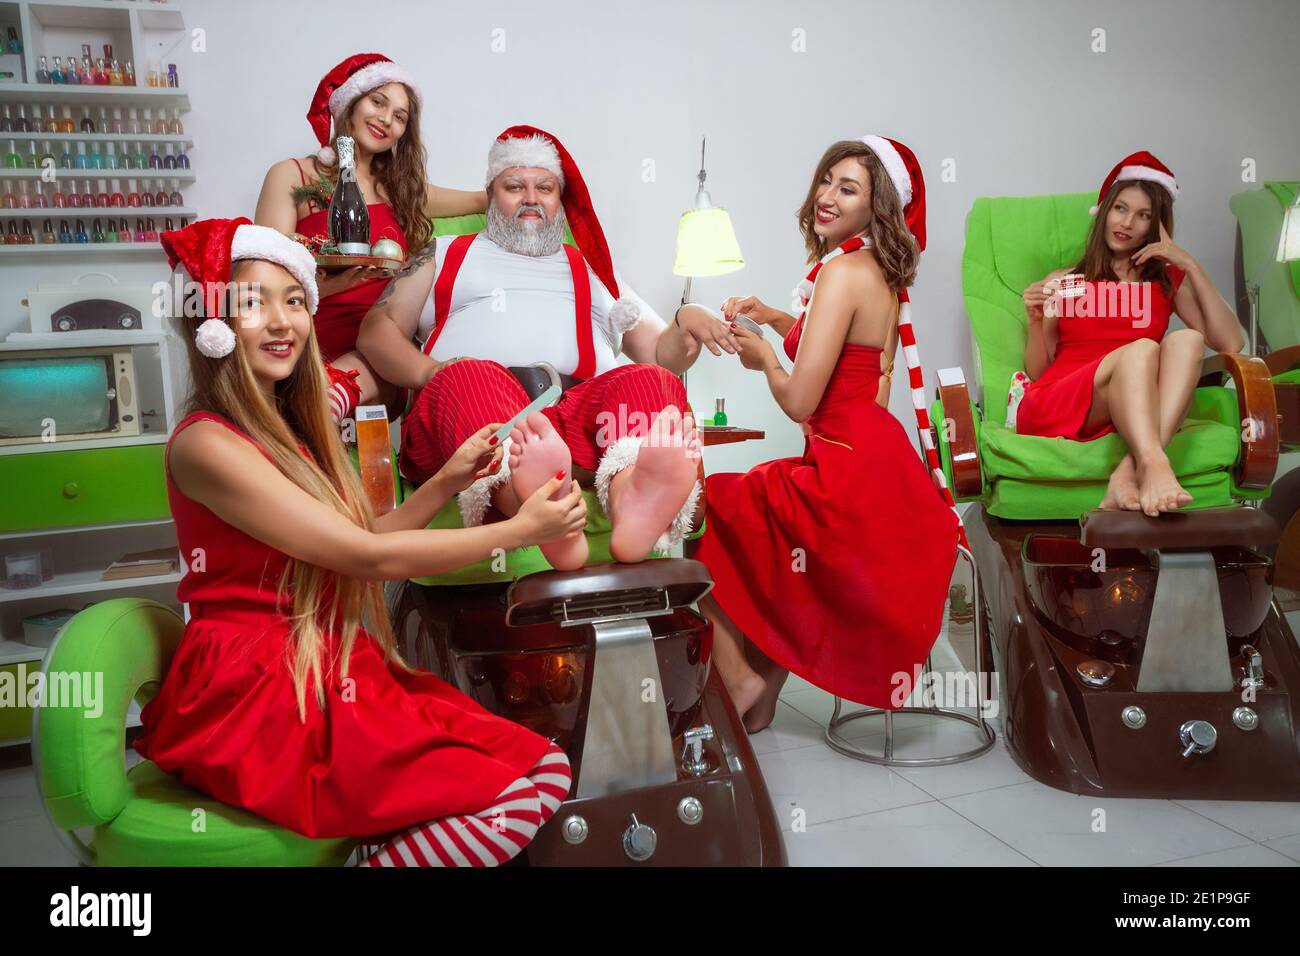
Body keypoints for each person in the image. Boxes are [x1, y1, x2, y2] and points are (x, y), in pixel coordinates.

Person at [134, 217, 584, 867]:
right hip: (259, 685)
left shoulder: (289, 435)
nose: (284, 321)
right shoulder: (206, 443)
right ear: (215, 323)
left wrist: (446, 480)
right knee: (513, 791)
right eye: (256, 303)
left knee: (542, 763)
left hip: (320, 663)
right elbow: (364, 558)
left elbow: (361, 536)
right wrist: (519, 531)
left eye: (296, 301)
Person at [359, 125, 735, 568]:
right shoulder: (444, 253)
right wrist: (430, 372)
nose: (531, 198)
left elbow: (660, 355)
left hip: (569, 419)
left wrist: (683, 321)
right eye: (514, 186)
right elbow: (377, 330)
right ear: (490, 194)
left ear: (560, 199)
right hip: (472, 412)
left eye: (545, 187)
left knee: (649, 381)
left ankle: (631, 496)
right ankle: (533, 508)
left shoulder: (593, 268)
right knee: (469, 375)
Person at [692, 137, 963, 732]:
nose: (828, 196)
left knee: (697, 513)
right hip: (874, 456)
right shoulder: (873, 271)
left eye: (849, 188)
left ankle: (740, 679)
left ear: (876, 206)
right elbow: (841, 353)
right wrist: (776, 318)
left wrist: (764, 357)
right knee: (772, 548)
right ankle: (759, 696)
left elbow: (801, 400)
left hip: (843, 468)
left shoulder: (839, 273)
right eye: (826, 180)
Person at [254, 53, 488, 420]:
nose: (386, 120)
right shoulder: (292, 176)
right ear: (350, 102)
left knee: (383, 348)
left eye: (400, 117)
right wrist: (328, 287)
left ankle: (327, 400)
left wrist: (537, 183)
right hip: (305, 338)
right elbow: (263, 280)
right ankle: (314, 404)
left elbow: (483, 199)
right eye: (378, 102)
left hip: (381, 355)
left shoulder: (402, 190)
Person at [1015, 151, 1245, 517]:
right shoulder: (1065, 281)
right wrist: (1035, 321)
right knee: (1141, 349)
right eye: (1120, 209)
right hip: (1066, 399)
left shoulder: (1168, 281)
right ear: (1104, 211)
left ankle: (1127, 472)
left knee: (1187, 340)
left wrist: (1189, 264)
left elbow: (1231, 343)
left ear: (1157, 226)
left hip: (1135, 401)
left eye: (1143, 215)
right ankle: (1153, 463)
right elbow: (1040, 372)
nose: (1127, 223)